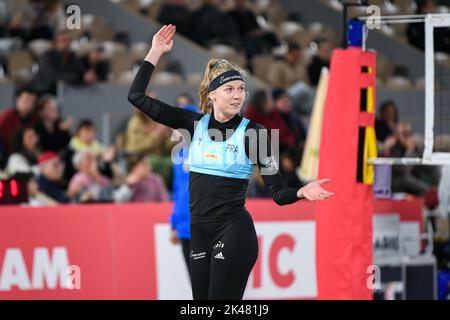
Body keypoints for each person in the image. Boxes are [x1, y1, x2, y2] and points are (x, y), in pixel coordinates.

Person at [128, 25, 334, 300]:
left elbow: (279, 193)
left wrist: (301, 191)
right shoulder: (193, 123)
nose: (238, 95)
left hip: (234, 233)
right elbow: (136, 97)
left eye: (241, 89)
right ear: (212, 94)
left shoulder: (254, 133)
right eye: (229, 89)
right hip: (198, 234)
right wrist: (155, 52)